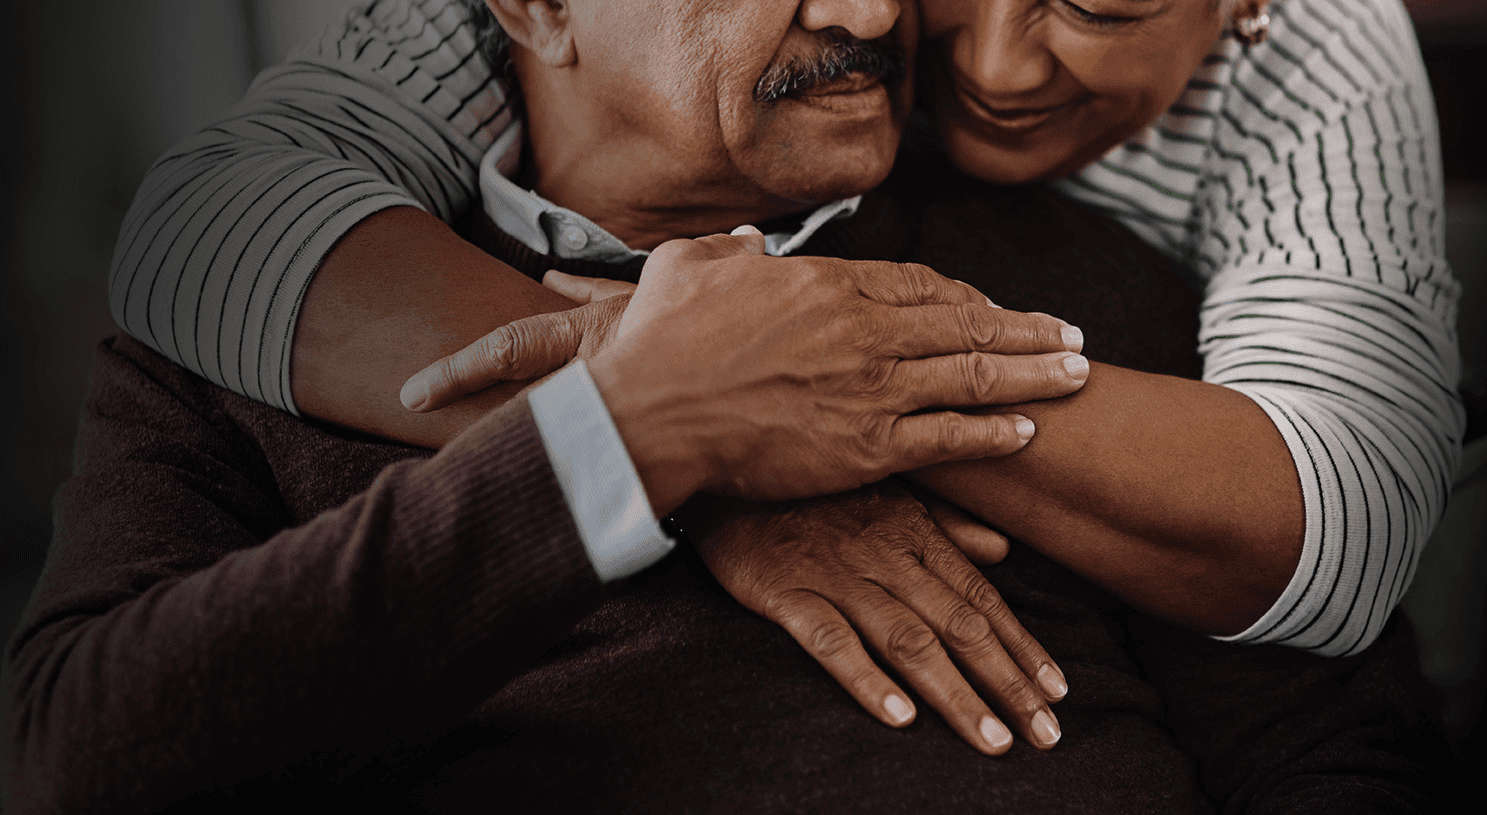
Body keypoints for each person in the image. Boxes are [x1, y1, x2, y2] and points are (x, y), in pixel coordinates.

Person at [105, 0, 1465, 671]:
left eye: (1094, 6)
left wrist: (812, 385)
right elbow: (214, 217)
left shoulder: (1314, 63)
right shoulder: (540, 36)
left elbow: (1336, 520)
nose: (980, 66)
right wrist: (677, 426)